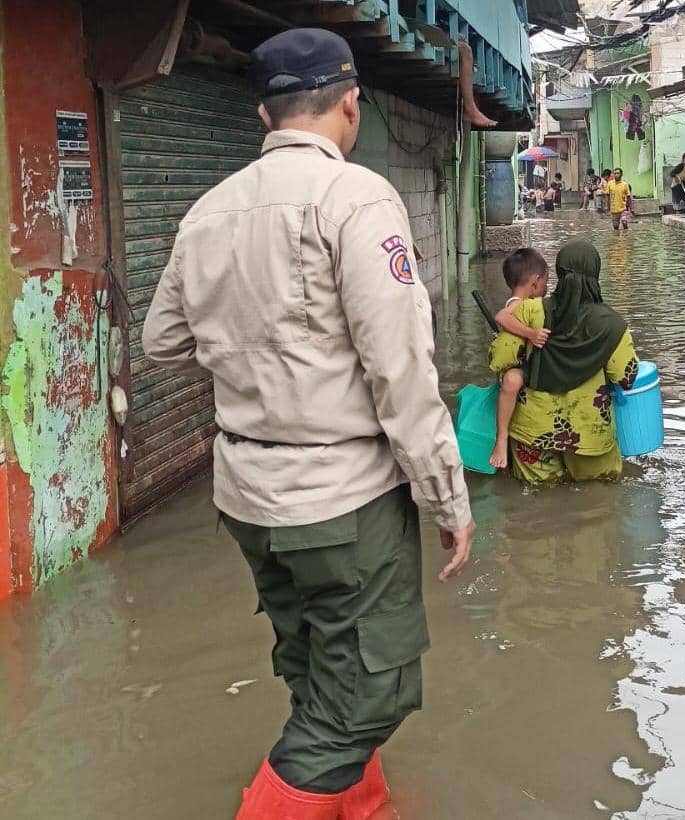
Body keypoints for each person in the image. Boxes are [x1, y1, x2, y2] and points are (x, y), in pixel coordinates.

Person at [142, 28, 474, 820]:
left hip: (247, 496)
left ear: (264, 111)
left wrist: (253, 345)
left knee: (318, 674)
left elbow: (161, 340)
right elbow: (401, 372)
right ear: (352, 102)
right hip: (342, 499)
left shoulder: (207, 211)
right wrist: (449, 503)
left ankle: (359, 807)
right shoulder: (356, 198)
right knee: (370, 696)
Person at [489, 239, 640, 485]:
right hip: (589, 434)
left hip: (532, 431)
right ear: (596, 274)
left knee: (537, 505)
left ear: (558, 273)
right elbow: (627, 377)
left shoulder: (530, 310)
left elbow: (498, 359)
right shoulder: (613, 325)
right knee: (598, 501)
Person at [489, 249, 552, 469]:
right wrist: (531, 334)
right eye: (546, 281)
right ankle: (501, 438)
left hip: (526, 362)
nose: (547, 287)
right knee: (512, 381)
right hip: (515, 368)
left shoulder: (529, 303)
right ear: (536, 281)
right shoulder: (517, 303)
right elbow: (501, 317)